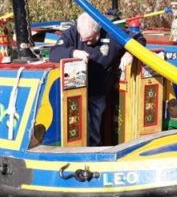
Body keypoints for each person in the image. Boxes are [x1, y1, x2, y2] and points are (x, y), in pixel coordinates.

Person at [49, 12, 145, 146]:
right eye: (82, 39)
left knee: (93, 128)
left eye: (89, 39)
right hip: (74, 92)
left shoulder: (112, 33)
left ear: (99, 31)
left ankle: (93, 152)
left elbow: (139, 38)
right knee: (75, 128)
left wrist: (131, 52)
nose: (85, 43)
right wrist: (73, 52)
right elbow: (54, 53)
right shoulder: (73, 33)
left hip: (98, 92)